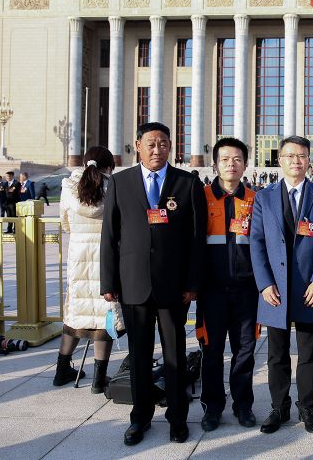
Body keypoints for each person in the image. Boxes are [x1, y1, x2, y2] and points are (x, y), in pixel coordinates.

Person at [100, 122, 207, 446]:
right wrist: (108, 281)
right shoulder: (120, 182)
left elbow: (196, 238)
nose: (157, 149)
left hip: (173, 286)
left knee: (175, 354)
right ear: (138, 146)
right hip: (133, 283)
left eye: (163, 143)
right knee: (139, 354)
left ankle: (177, 418)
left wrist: (193, 282)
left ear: (170, 146)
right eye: (151, 143)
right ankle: (140, 417)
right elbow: (110, 235)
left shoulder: (187, 183)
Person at [249, 135, 313, 435]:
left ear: (309, 160)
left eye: (301, 156)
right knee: (277, 353)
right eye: (290, 156)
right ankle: (279, 407)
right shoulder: (264, 197)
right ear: (279, 160)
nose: (296, 161)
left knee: (309, 353)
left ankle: (307, 408)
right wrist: (264, 284)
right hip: (275, 290)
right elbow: (256, 243)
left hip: (310, 288)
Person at [196, 137, 259, 431]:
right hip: (212, 291)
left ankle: (243, 405)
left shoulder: (256, 199)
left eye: (237, 159)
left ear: (245, 165)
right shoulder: (202, 197)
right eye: (224, 159)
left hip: (247, 290)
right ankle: (212, 407)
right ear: (215, 164)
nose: (231, 164)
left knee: (244, 351)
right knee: (212, 352)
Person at [54, 146, 124, 392]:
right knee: (104, 316)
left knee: (76, 313)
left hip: (79, 257)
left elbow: (65, 224)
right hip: (107, 258)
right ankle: (98, 378)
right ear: (109, 166)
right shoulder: (113, 187)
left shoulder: (68, 187)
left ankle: (62, 369)